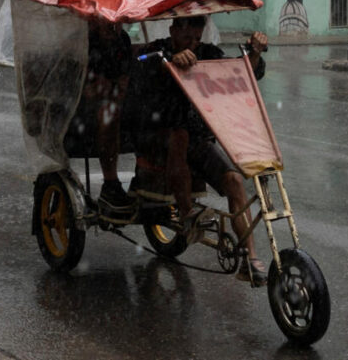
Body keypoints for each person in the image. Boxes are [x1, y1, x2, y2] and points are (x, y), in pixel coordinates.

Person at [133, 15, 270, 285]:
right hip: (159, 137)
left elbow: (239, 73)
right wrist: (170, 62)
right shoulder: (154, 51)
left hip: (197, 139)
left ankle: (249, 258)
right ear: (173, 29)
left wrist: (253, 52)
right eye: (186, 32)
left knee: (233, 181)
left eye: (197, 32)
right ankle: (187, 215)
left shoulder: (209, 53)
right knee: (180, 135)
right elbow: (143, 66)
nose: (193, 39)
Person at [65, 19, 135, 215]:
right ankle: (110, 183)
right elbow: (83, 87)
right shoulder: (80, 43)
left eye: (117, 21)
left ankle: (146, 179)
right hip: (76, 114)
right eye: (107, 20)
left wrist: (116, 89)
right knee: (109, 112)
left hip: (110, 103)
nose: (113, 26)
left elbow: (123, 80)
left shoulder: (122, 40)